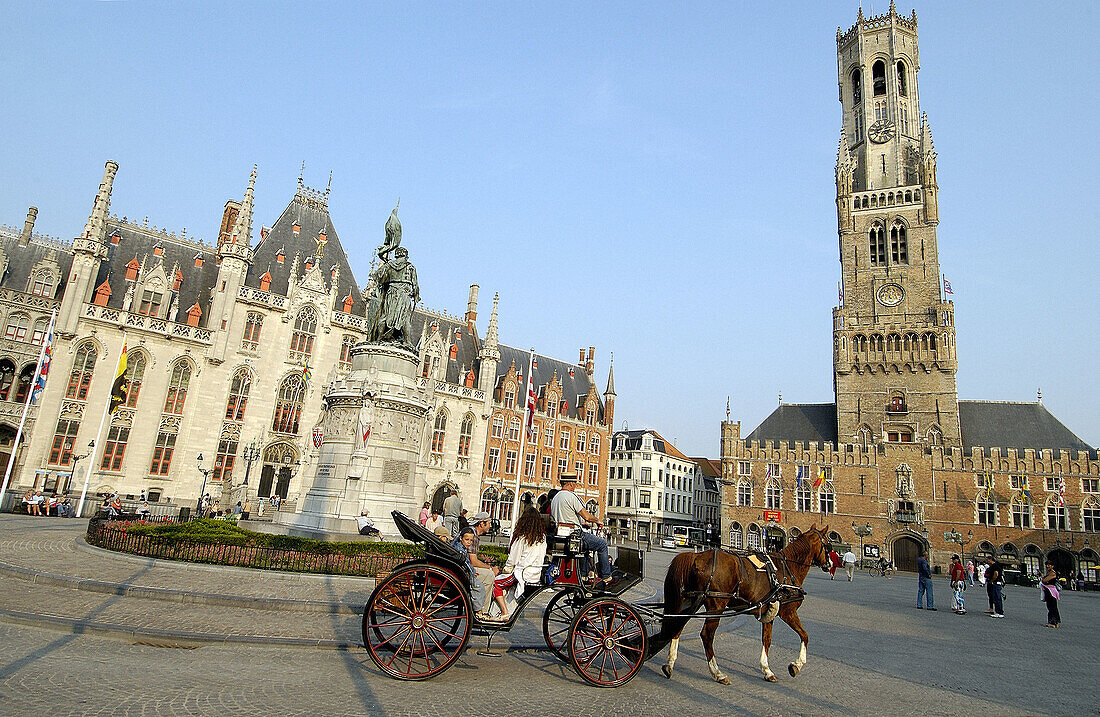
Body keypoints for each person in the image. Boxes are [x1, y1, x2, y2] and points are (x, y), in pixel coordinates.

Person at [550, 473, 615, 590]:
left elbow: (564, 517)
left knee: (586, 548)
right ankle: (607, 577)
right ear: (570, 484)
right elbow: (587, 516)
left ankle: (584, 576)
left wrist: (580, 523)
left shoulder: (556, 498)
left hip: (561, 535)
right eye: (574, 484)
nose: (575, 486)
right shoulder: (571, 496)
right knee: (602, 544)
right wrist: (597, 520)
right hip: (574, 536)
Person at [487, 508, 548, 622]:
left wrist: (504, 570)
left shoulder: (523, 537)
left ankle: (505, 612)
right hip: (535, 573)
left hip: (522, 573)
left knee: (495, 583)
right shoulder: (542, 538)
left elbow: (512, 559)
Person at [466, 512, 499, 615]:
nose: (490, 526)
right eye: (488, 523)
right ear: (482, 524)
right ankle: (482, 611)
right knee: (489, 575)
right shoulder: (472, 535)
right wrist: (490, 568)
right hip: (465, 568)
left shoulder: (472, 532)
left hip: (464, 566)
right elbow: (473, 561)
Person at [450, 528, 484, 612]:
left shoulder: (460, 547)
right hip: (464, 573)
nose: (469, 542)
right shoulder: (460, 550)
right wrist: (473, 572)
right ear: (461, 538)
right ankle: (477, 611)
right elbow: (467, 564)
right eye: (467, 539)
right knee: (479, 588)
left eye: (471, 540)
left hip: (464, 571)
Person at [1040, 561, 1061, 627]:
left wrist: (1043, 577)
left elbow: (1044, 581)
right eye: (1046, 565)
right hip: (1049, 590)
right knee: (1052, 606)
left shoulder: (1052, 573)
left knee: (1051, 606)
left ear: (1052, 566)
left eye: (1049, 565)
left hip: (1050, 591)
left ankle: (1052, 622)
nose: (1047, 566)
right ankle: (1055, 622)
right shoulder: (1050, 573)